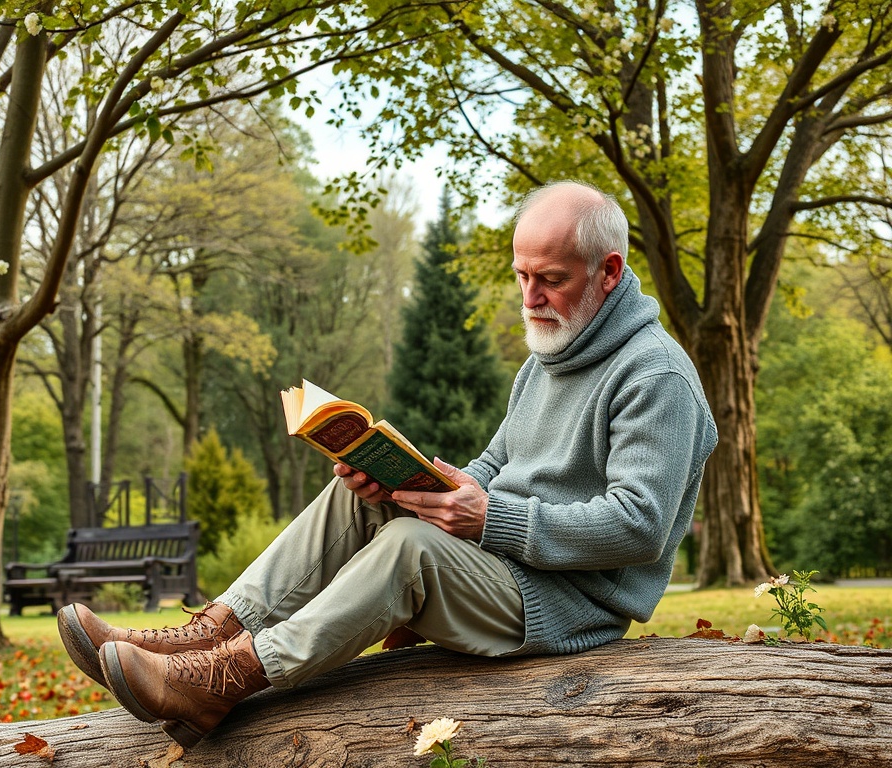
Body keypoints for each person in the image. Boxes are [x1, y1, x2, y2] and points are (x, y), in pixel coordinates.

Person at [57, 179, 718, 748]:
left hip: (566, 604)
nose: (531, 297)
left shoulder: (654, 376)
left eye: (551, 279)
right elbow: (497, 461)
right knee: (363, 497)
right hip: (507, 568)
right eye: (522, 276)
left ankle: (224, 680)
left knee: (409, 545)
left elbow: (641, 525)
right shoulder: (552, 357)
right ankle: (204, 638)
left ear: (608, 271)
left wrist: (490, 517)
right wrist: (427, 483)